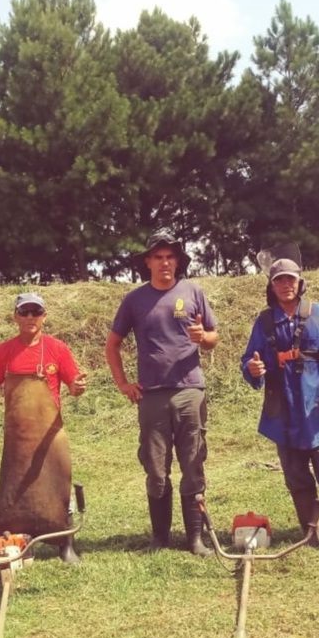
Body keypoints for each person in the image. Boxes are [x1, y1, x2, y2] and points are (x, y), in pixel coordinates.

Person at [105, 231, 219, 556]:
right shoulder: (134, 300)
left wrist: (203, 338)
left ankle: (195, 539)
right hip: (152, 396)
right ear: (148, 262)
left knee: (193, 463)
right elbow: (112, 345)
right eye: (158, 257)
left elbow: (214, 337)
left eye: (170, 256)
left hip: (190, 392)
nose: (165, 262)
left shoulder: (193, 291)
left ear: (177, 261)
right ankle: (160, 538)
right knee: (156, 468)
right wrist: (123, 384)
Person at [240, 255, 319, 548]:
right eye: (279, 280)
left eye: (291, 279)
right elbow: (250, 359)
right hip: (283, 410)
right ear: (271, 286)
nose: (285, 285)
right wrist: (253, 369)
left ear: (300, 283)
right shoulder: (264, 321)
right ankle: (310, 536)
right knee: (296, 478)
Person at [0, 292, 88, 563]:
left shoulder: (57, 349)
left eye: (35, 312)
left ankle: (66, 545)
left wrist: (77, 387)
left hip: (50, 433)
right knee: (17, 490)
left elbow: (73, 386)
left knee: (59, 484)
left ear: (44, 316)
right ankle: (23, 544)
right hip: (17, 436)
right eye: (23, 312)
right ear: (15, 316)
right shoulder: (4, 351)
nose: (29, 317)